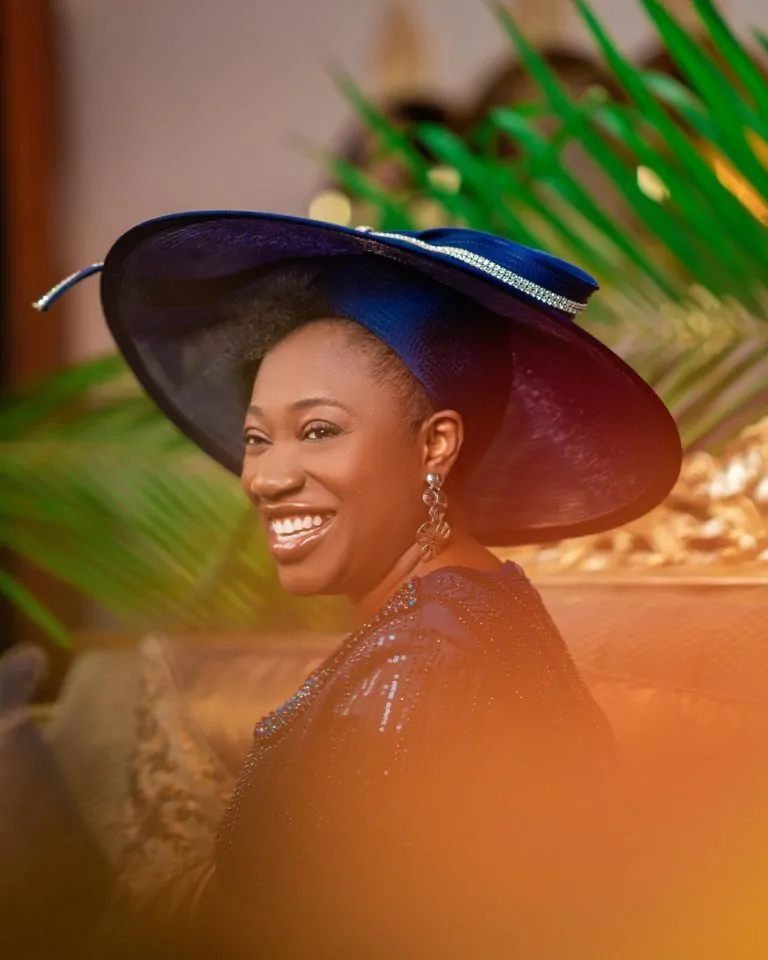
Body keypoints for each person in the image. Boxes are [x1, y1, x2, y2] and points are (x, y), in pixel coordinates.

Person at [37, 213, 682, 957]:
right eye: (257, 438)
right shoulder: (476, 604)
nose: (264, 479)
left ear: (435, 444)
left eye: (319, 430)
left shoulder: (415, 669)